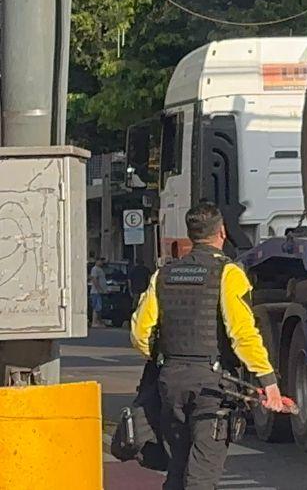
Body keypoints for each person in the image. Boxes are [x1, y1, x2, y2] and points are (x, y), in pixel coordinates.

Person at [131, 202, 291, 490]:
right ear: (222, 232)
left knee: (178, 469)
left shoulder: (163, 275)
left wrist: (165, 360)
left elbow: (140, 333)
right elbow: (242, 334)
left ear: (190, 235)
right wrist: (268, 382)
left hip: (171, 382)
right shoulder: (227, 274)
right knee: (202, 474)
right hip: (213, 386)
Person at [90, 257, 109, 327]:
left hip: (100, 292)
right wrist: (99, 289)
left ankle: (98, 322)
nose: (102, 263)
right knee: (96, 307)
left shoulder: (100, 269)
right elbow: (94, 279)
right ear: (97, 261)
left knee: (99, 307)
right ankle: (94, 322)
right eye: (100, 261)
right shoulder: (94, 269)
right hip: (96, 292)